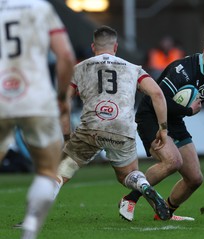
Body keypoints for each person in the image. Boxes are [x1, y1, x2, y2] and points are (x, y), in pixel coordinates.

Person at [53, 26, 171, 221]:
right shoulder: (133, 69)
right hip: (122, 128)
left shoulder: (78, 68)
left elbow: (63, 103)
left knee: (60, 171)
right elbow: (157, 94)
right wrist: (163, 129)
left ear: (93, 47)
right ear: (116, 46)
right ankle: (143, 185)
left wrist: (67, 136)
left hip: (91, 128)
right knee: (128, 174)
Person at [118, 33, 204, 221]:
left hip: (175, 120)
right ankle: (129, 199)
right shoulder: (183, 69)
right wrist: (187, 111)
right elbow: (159, 100)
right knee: (173, 161)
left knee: (195, 178)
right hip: (151, 116)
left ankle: (166, 213)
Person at [0, 0, 76, 238]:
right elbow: (65, 55)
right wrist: (63, 96)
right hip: (36, 97)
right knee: (47, 169)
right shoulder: (40, 7)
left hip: (3, 94)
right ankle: (30, 231)